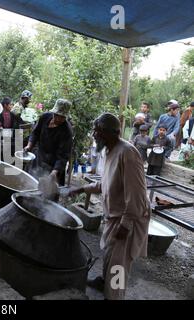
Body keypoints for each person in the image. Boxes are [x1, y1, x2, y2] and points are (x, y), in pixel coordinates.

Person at [69, 113, 150, 300]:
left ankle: (114, 296)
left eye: (98, 131)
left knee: (118, 266)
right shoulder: (108, 150)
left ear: (112, 133)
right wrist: (81, 189)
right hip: (115, 216)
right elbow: (105, 184)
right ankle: (104, 282)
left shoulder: (128, 153)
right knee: (109, 254)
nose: (95, 135)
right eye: (95, 131)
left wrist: (126, 224)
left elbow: (136, 195)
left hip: (127, 218)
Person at [24, 99, 73, 186]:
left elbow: (63, 156)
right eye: (57, 115)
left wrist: (54, 173)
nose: (58, 119)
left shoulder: (67, 131)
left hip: (53, 165)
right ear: (54, 113)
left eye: (62, 117)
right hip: (38, 158)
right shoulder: (45, 117)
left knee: (47, 192)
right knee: (30, 185)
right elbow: (35, 132)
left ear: (66, 117)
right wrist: (29, 146)